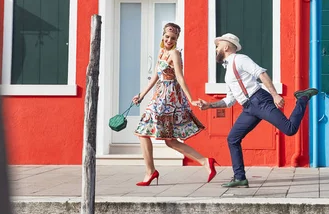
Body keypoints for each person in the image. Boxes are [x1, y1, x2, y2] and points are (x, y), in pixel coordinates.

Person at [197, 33, 318, 188]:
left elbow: (261, 73)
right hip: (248, 108)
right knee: (232, 138)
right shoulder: (228, 71)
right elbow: (230, 100)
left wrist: (275, 95)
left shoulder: (240, 59)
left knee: (289, 129)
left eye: (217, 46)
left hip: (260, 100)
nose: (216, 49)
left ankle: (302, 99)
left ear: (226, 46)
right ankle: (240, 177)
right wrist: (209, 105)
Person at [132, 22, 217, 186]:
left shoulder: (175, 54)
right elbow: (156, 76)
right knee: (151, 135)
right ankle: (205, 161)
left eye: (173, 38)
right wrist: (141, 95)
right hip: (159, 97)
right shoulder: (162, 51)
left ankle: (152, 171)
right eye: (167, 37)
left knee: (156, 136)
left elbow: (179, 77)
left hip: (169, 100)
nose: (169, 40)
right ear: (163, 36)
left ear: (177, 38)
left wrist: (191, 99)